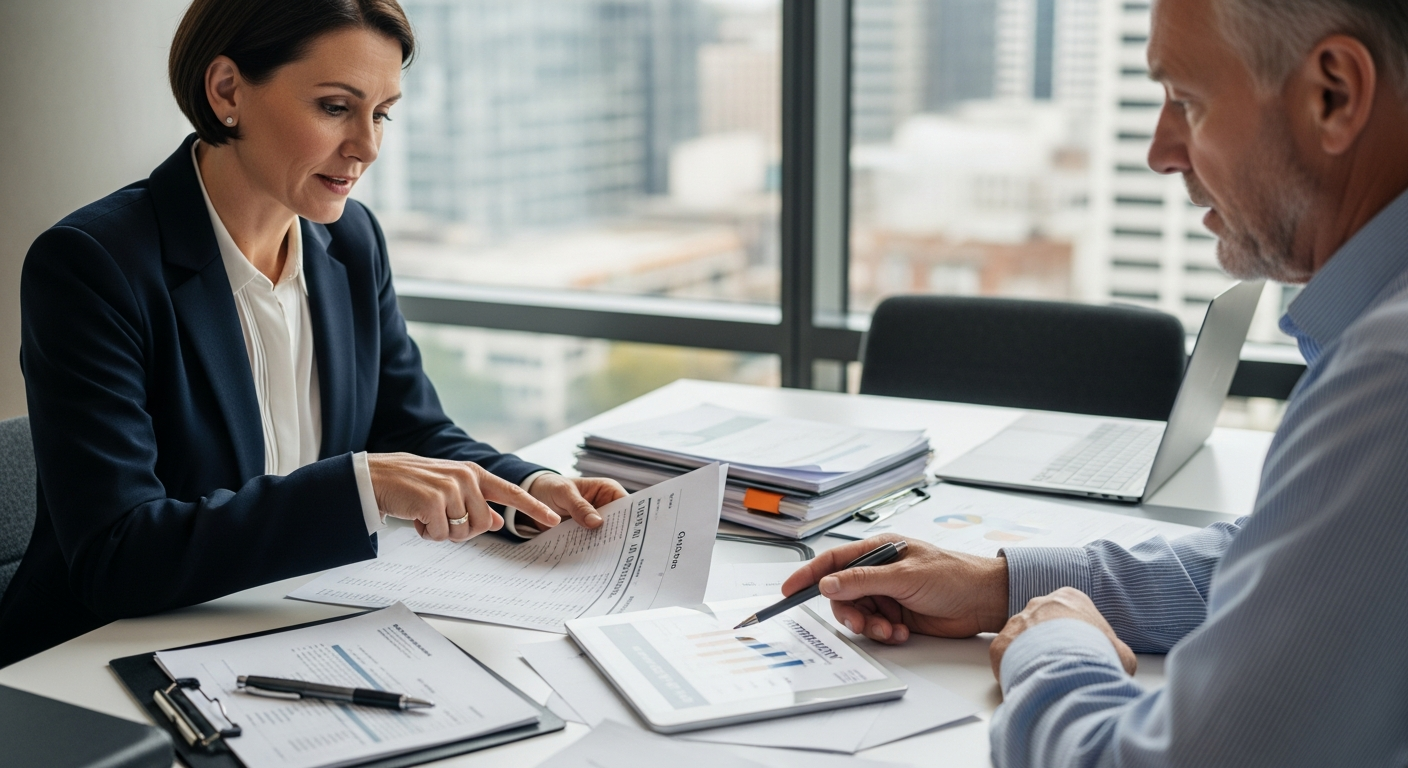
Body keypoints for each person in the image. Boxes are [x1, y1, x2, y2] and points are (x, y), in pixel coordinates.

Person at [785, 0, 1408, 764]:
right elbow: (1300, 563)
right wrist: (1002, 585)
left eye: (1186, 101)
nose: (1160, 151)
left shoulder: (1391, 375)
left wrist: (1053, 646)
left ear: (1333, 95)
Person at [0, 0, 625, 669]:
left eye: (381, 112)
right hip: (98, 663)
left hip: (291, 628)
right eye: (335, 107)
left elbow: (411, 433)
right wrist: (358, 486)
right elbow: (116, 555)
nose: (368, 145)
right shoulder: (93, 266)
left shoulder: (350, 241)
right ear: (227, 90)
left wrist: (528, 490)